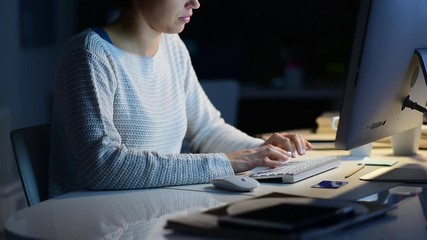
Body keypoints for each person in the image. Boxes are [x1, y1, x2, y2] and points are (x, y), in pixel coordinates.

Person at [49, 0, 313, 198]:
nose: (195, 3)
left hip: (156, 209)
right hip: (99, 223)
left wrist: (264, 152)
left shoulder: (172, 45)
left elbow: (207, 130)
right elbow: (102, 166)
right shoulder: (89, 54)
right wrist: (228, 163)